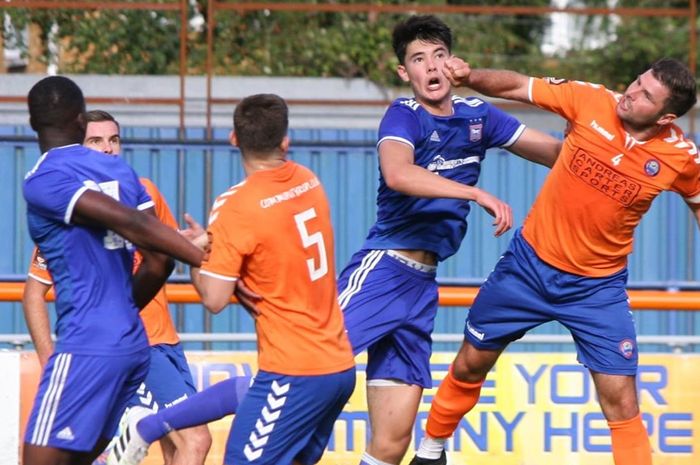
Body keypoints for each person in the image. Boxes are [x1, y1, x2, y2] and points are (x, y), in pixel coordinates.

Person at [410, 58, 700, 465]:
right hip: (527, 269)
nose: (632, 93)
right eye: (636, 81)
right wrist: (469, 77)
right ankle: (430, 450)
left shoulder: (681, 157)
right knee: (470, 365)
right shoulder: (591, 100)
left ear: (666, 116)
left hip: (596, 289)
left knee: (621, 401)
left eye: (646, 94)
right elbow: (518, 86)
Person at [334, 15, 562, 465]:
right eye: (418, 59)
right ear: (405, 73)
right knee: (304, 370)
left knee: (393, 440)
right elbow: (398, 174)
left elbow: (557, 155)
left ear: (454, 62)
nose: (431, 67)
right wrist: (472, 191)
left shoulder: (479, 116)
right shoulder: (404, 114)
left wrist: (592, 130)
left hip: (421, 288)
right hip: (383, 269)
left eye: (438, 55)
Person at [107, 93, 356, 465]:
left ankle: (148, 428)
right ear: (285, 141)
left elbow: (214, 298)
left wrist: (195, 255)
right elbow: (273, 227)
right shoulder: (309, 182)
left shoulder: (235, 205)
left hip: (294, 370)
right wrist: (213, 237)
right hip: (338, 367)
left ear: (233, 139)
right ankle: (150, 427)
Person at [22, 75, 205, 465]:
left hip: (86, 342)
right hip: (134, 342)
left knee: (36, 460)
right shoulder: (124, 175)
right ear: (80, 119)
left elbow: (139, 229)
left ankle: (138, 432)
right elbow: (160, 259)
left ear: (32, 121)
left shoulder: (43, 181)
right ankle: (135, 435)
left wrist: (200, 256)